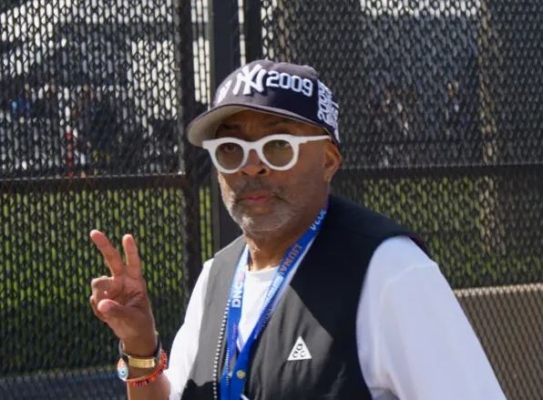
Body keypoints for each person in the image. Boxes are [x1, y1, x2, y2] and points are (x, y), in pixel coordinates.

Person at [89, 60, 506, 400]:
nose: (251, 165)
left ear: (327, 160)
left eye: (277, 146)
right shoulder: (217, 276)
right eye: (230, 149)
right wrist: (141, 349)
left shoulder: (389, 270)